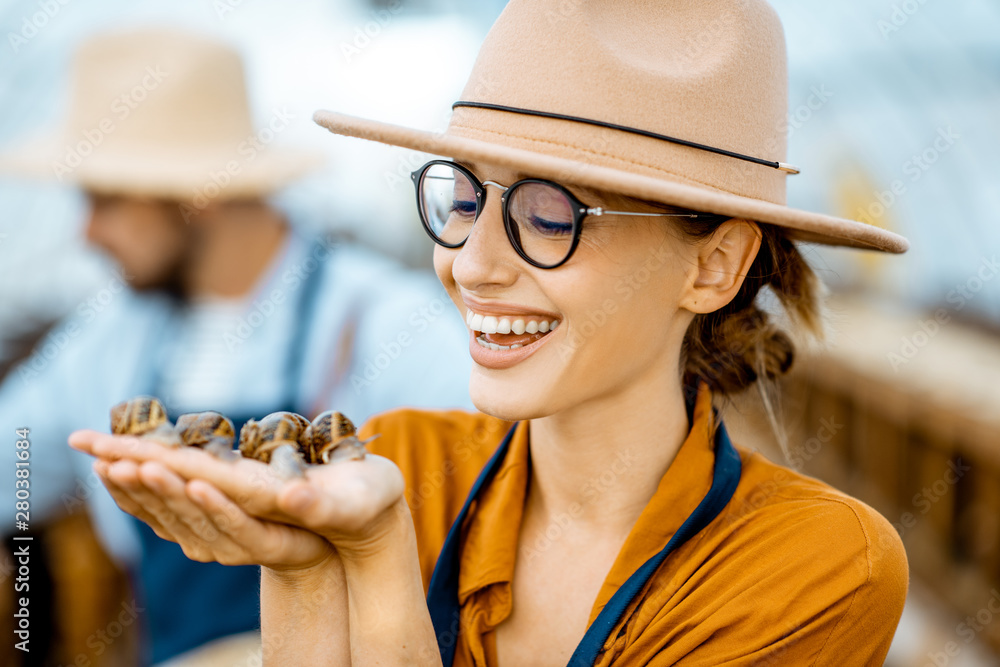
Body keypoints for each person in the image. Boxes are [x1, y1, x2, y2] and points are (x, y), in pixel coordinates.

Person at [70, 1, 911, 665]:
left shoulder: (818, 565)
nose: (471, 264)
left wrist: (376, 561)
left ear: (714, 266)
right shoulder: (403, 460)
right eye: (464, 198)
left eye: (548, 214)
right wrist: (302, 568)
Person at [0, 27, 471, 666]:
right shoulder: (111, 334)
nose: (87, 232)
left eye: (105, 200)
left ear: (198, 196)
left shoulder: (384, 325)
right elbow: (15, 460)